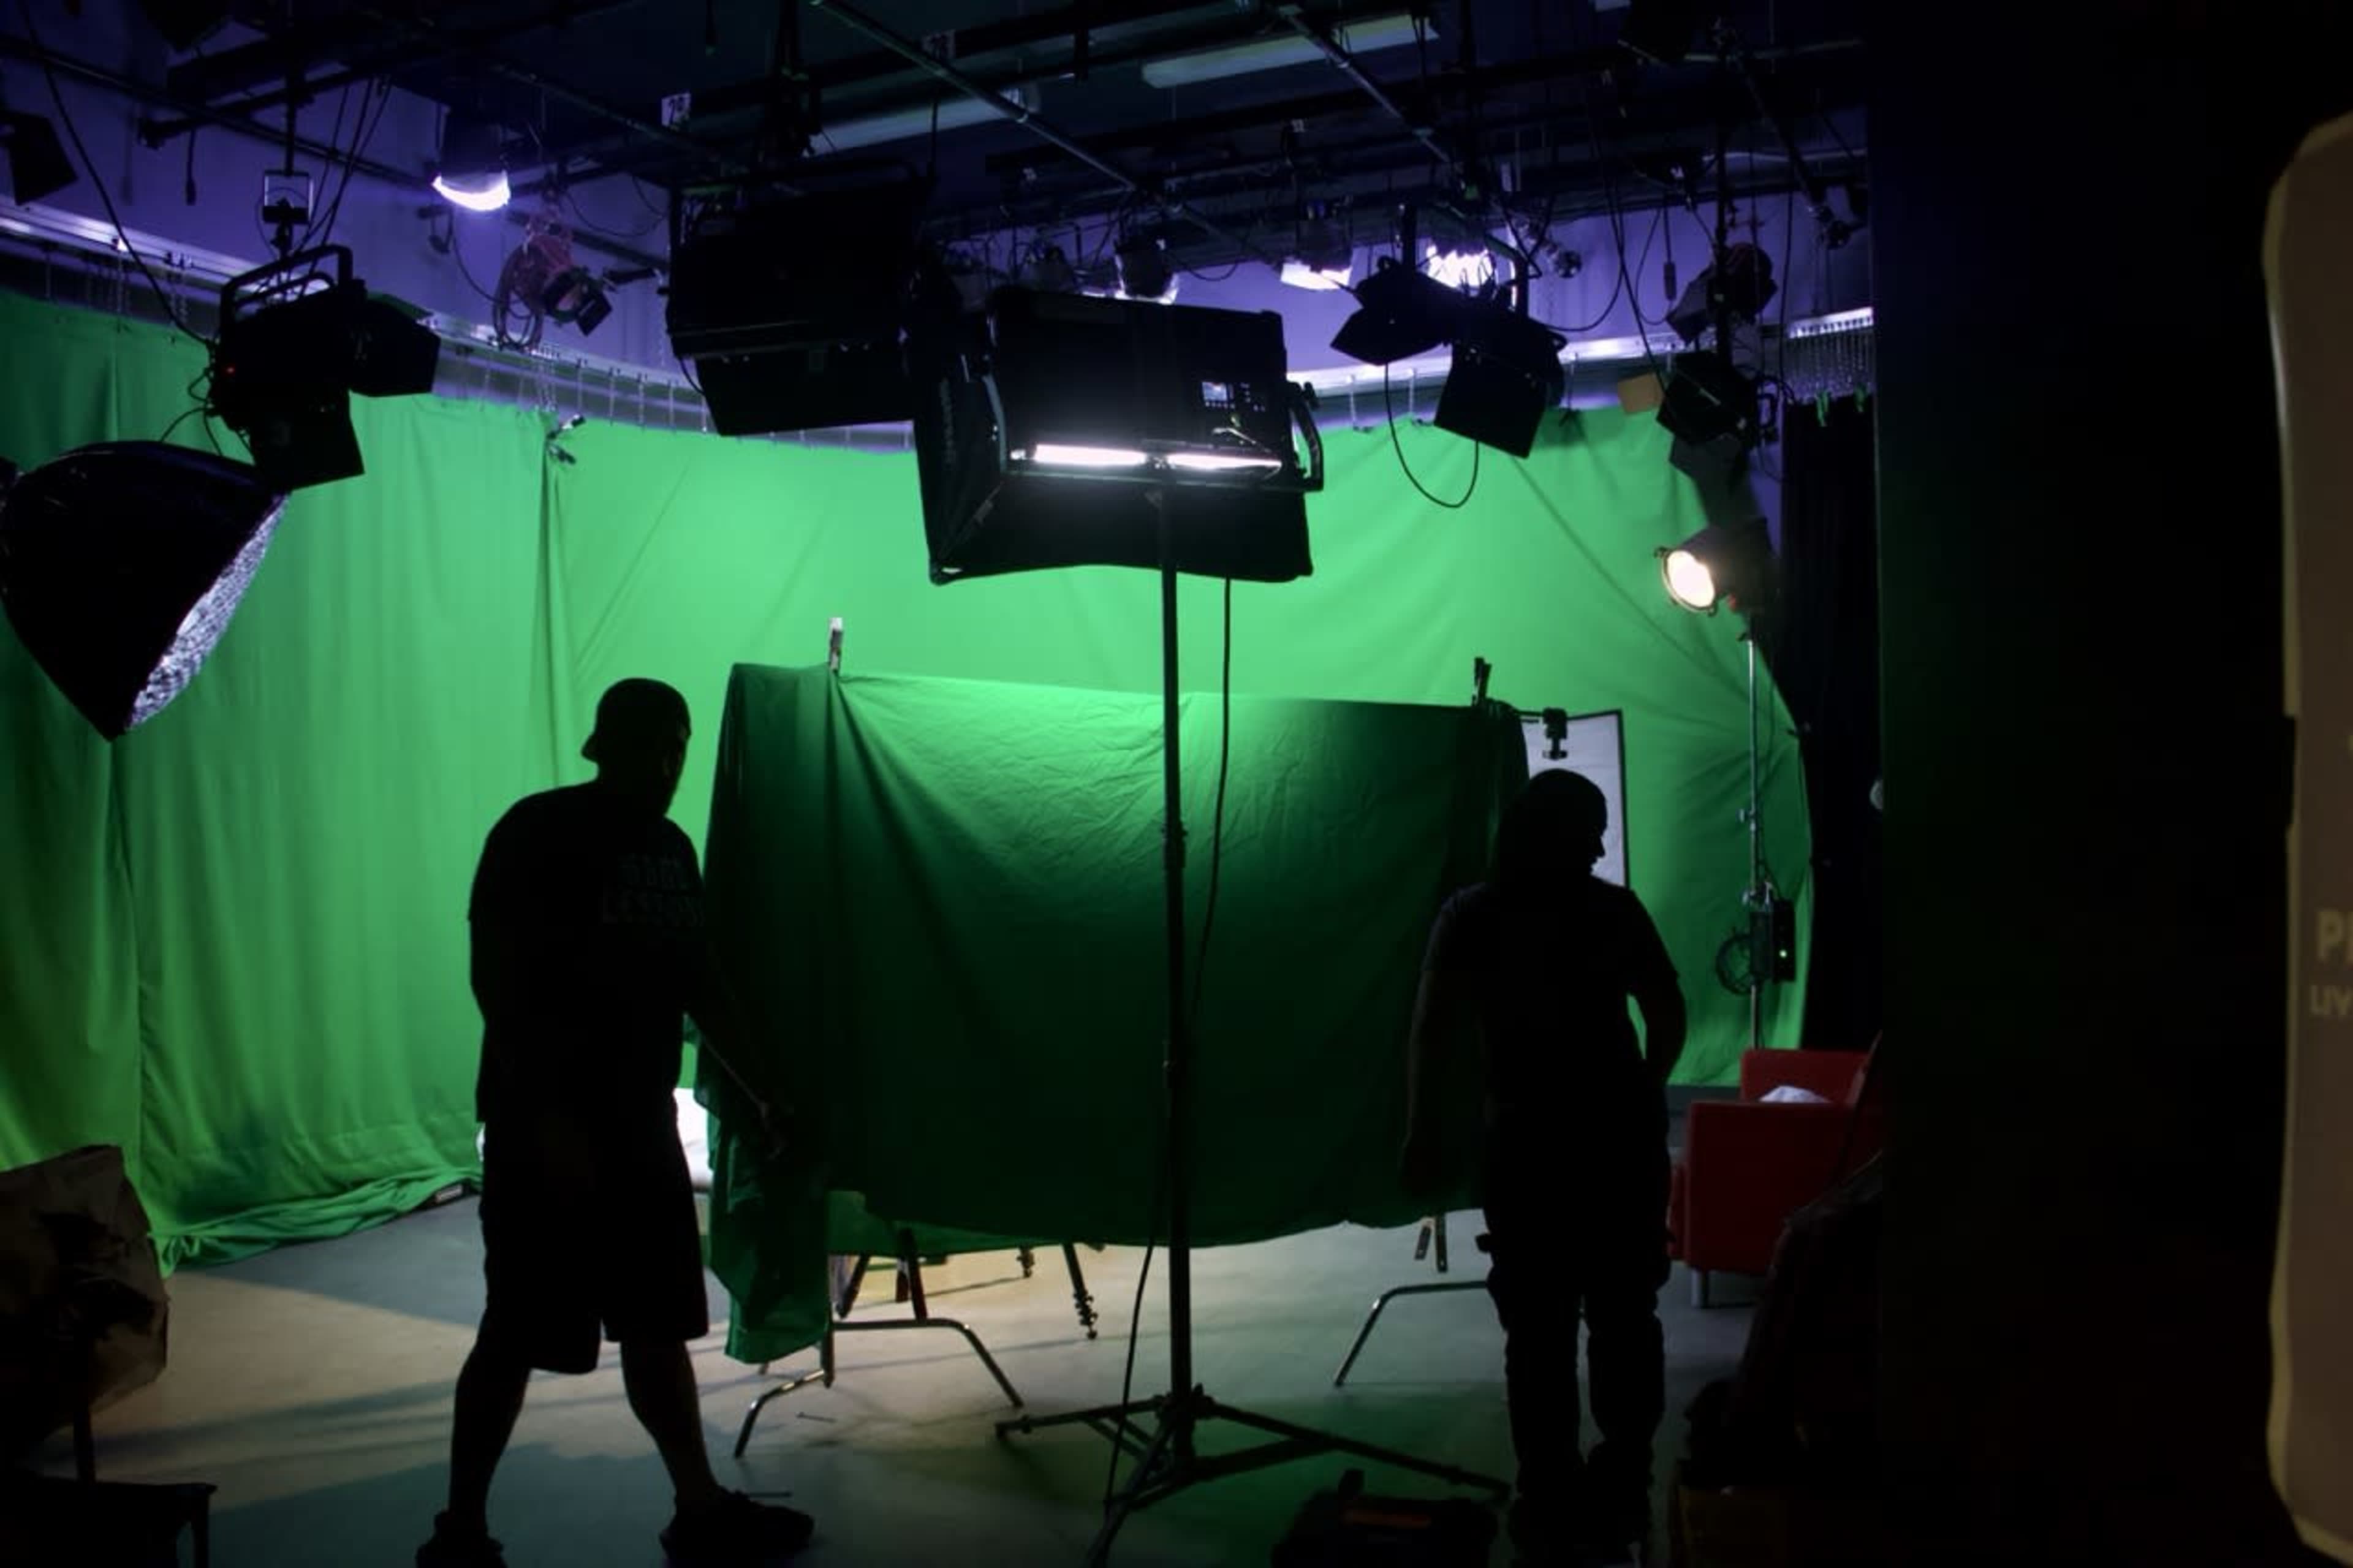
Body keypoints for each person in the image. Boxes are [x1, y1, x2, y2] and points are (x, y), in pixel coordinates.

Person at [417, 678, 810, 1568]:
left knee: (655, 1325)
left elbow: (700, 982)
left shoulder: (671, 850)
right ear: (606, 747)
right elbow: (499, 983)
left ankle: (699, 1510)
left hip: (638, 1127)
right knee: (515, 1329)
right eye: (651, 745)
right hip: (542, 1131)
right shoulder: (536, 831)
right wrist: (549, 1120)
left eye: (677, 746)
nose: (667, 765)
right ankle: (460, 1532)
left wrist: (763, 1090)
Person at [1400, 769, 1687, 1566]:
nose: (1599, 845)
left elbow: (1431, 1031)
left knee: (1537, 1329)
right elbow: (1667, 1011)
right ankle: (1622, 1481)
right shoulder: (1613, 911)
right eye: (1591, 829)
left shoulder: (1472, 915)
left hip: (1523, 1144)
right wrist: (1647, 1086)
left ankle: (1550, 1491)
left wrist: (1423, 1129)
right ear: (1558, 834)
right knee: (1625, 1315)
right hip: (1616, 1142)